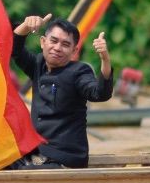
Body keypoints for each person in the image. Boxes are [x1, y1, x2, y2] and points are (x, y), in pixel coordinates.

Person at [10, 13, 113, 169]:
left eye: (65, 44)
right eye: (53, 41)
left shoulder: (79, 71)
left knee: (25, 172)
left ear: (74, 51)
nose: (57, 48)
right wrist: (26, 26)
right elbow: (14, 50)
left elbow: (100, 93)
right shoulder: (38, 64)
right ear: (43, 42)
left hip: (65, 158)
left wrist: (105, 59)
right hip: (38, 152)